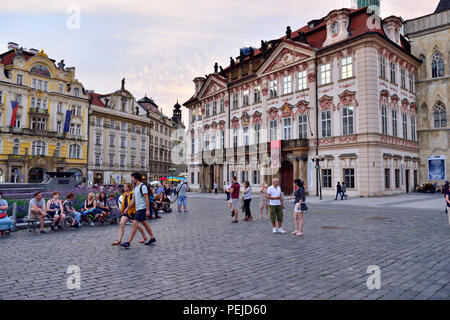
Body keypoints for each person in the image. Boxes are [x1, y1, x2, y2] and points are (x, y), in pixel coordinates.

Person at [121, 172, 156, 248]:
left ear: (136, 178)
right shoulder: (135, 187)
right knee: (145, 224)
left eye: (132, 178)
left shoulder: (143, 186)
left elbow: (146, 198)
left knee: (134, 224)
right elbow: (133, 199)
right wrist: (127, 208)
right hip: (138, 208)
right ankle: (152, 237)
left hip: (142, 208)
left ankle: (128, 242)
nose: (132, 180)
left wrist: (147, 210)